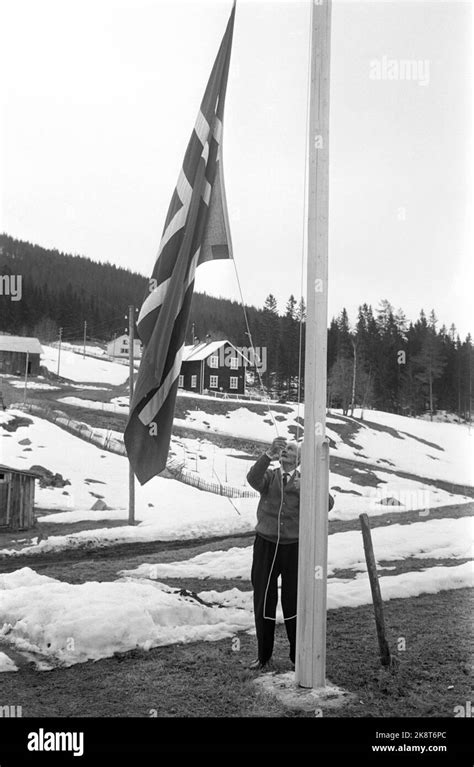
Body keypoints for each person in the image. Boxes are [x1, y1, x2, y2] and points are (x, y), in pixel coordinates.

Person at [246, 436, 334, 671]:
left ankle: (298, 657)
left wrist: (310, 485)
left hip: (295, 548)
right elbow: (252, 479)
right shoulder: (271, 476)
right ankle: (263, 656)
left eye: (291, 449)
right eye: (284, 448)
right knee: (264, 599)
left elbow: (327, 504)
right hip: (265, 545)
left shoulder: (306, 480)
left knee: (293, 601)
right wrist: (267, 455)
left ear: (300, 458)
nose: (285, 450)